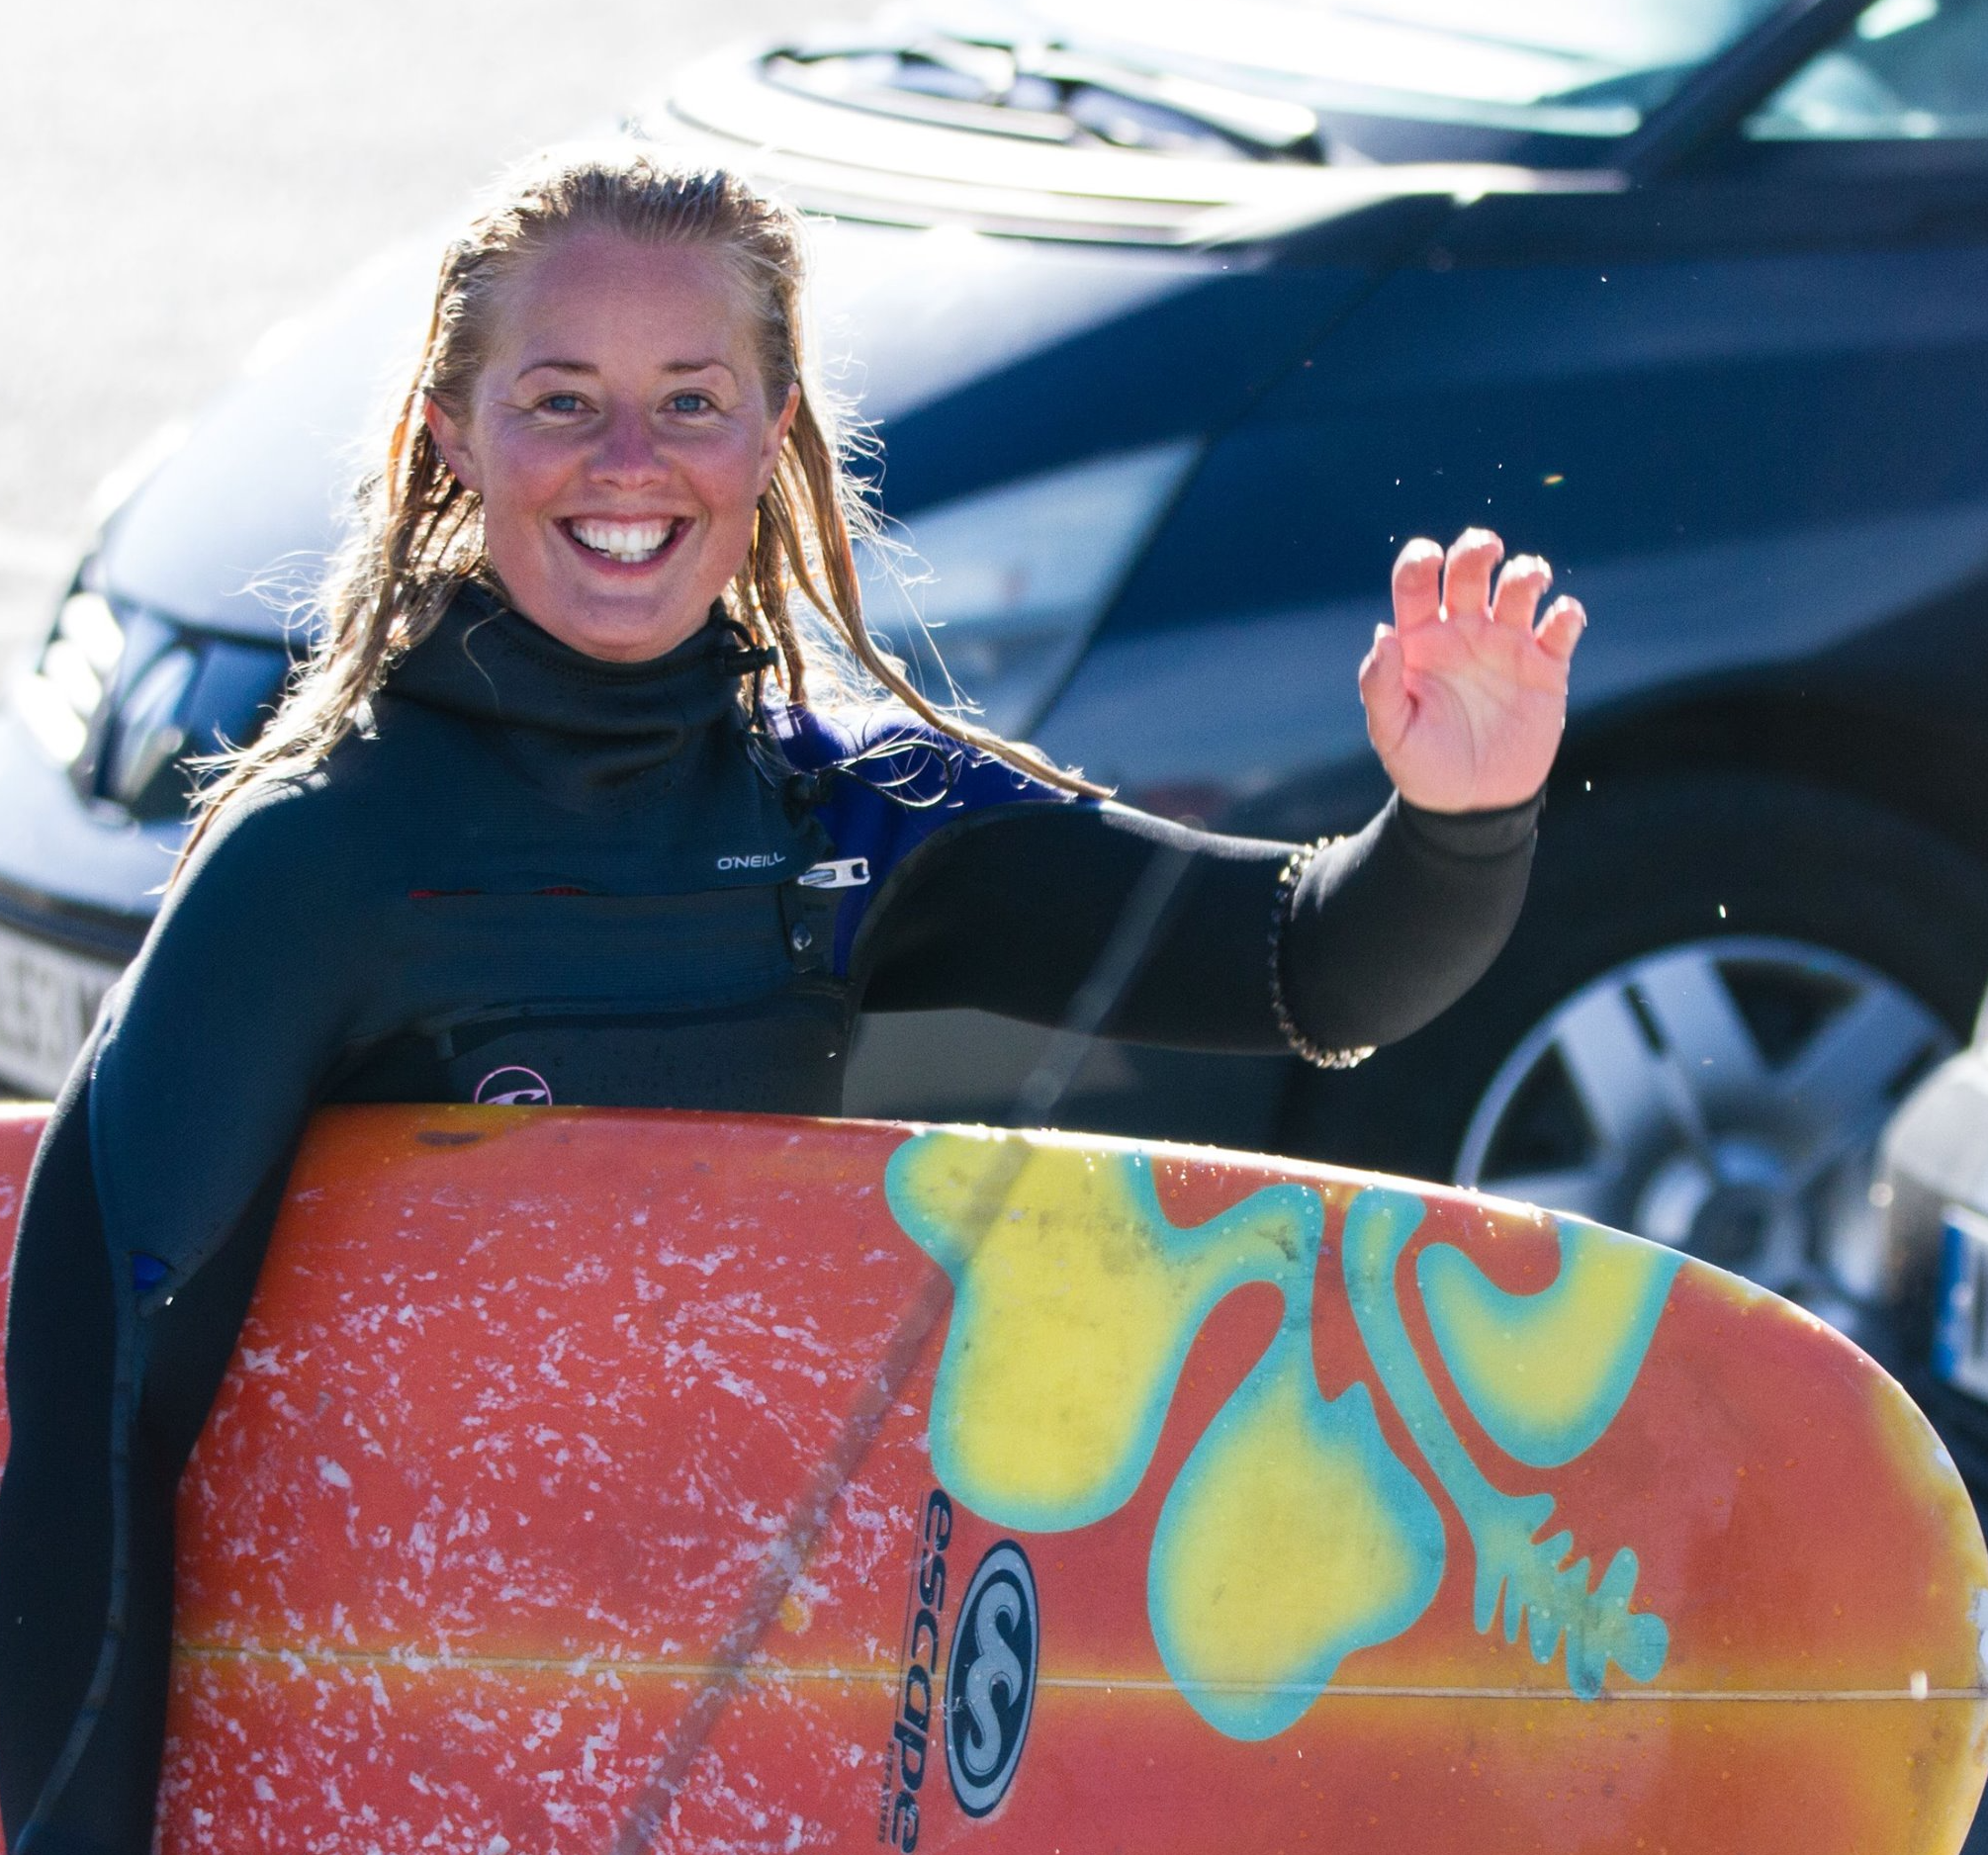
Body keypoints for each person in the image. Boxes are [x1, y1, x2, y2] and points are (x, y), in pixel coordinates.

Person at [0, 145, 1582, 1854]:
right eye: (561, 399)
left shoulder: (846, 815)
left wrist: (1459, 822)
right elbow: (95, 1395)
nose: (630, 462)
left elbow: (1304, 966)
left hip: (728, 1727)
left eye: (692, 399)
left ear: (771, 435)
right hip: (375, 1746)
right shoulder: (317, 862)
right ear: (455, 431)